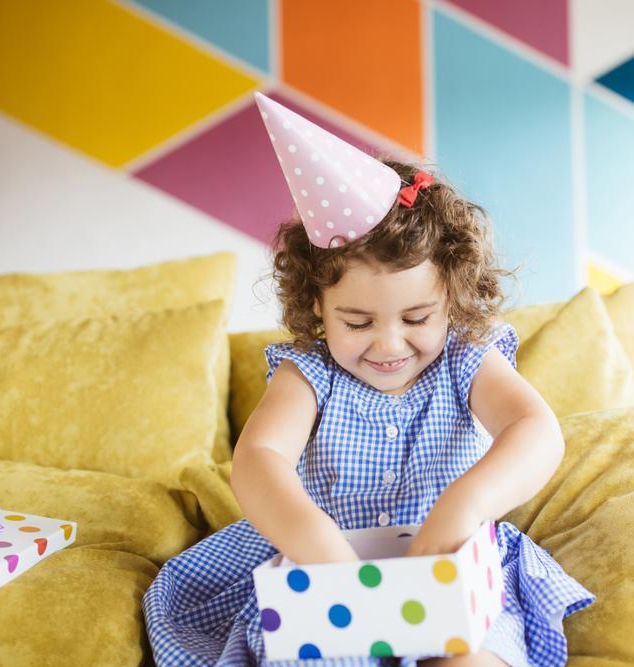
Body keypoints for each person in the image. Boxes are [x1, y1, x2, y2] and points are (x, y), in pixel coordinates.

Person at [142, 92, 594, 666]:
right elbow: (260, 457)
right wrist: (317, 548)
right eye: (357, 322)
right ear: (318, 308)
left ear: (451, 302)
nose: (388, 344)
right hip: (325, 576)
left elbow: (536, 431)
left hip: (452, 571)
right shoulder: (309, 374)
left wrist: (464, 505)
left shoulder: (466, 360)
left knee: (469, 660)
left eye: (416, 318)